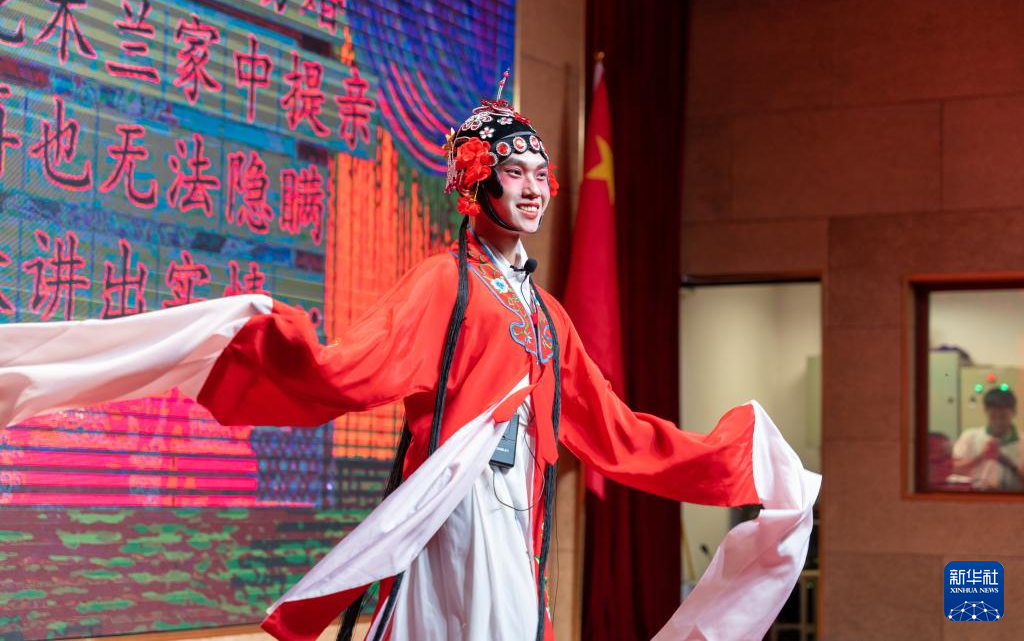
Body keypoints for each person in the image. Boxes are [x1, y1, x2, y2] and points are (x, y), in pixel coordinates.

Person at [0, 97, 818, 641]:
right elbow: (350, 372)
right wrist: (269, 341)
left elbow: (620, 434)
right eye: (515, 170)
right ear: (477, 181)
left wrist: (737, 459)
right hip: (453, 514)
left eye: (541, 173)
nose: (534, 187)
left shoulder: (548, 313)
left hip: (517, 521)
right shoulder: (443, 283)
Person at [953, 388, 1023, 491]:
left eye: (1003, 415)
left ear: (1014, 412)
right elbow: (953, 469)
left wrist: (1009, 464)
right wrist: (981, 457)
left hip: (1012, 497)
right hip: (976, 495)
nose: (998, 420)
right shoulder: (970, 436)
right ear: (986, 410)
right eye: (993, 415)